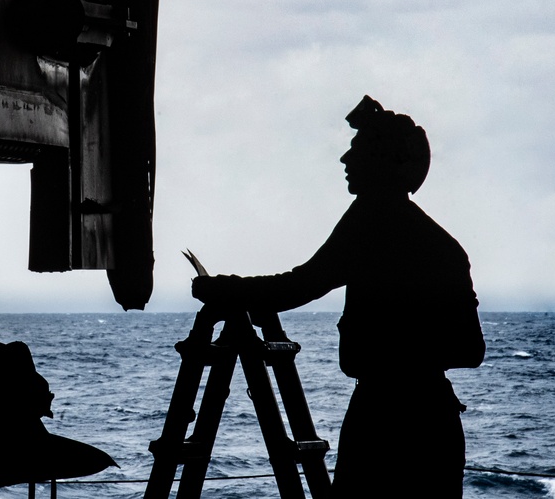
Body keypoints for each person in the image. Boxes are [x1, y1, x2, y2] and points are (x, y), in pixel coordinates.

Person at [192, 95, 485, 498]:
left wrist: (218, 287)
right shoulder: (445, 247)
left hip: (382, 421)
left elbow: (300, 285)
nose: (345, 160)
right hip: (434, 423)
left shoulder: (371, 218)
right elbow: (470, 349)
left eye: (358, 150)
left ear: (382, 160)